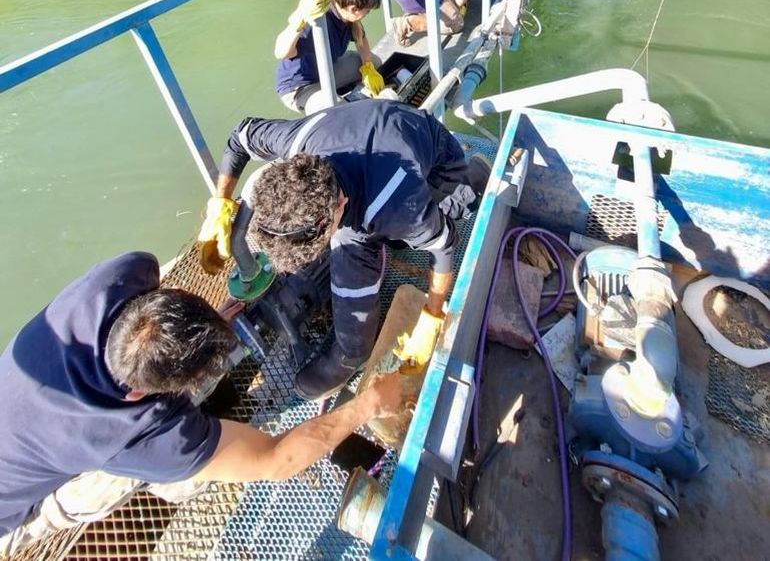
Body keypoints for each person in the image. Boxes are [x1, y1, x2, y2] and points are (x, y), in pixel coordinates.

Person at [0, 252, 403, 556]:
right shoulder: (135, 437)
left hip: (20, 413)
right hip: (10, 512)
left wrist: (209, 323)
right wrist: (367, 405)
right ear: (140, 395)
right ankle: (179, 479)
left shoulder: (126, 273)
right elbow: (276, 461)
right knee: (123, 483)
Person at [200, 98, 491, 400]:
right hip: (375, 127)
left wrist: (432, 316)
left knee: (398, 232)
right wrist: (220, 203)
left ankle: (470, 182)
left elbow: (444, 245)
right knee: (373, 235)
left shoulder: (398, 207)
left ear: (338, 207)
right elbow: (240, 135)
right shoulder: (296, 142)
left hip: (437, 157)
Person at [275, 0, 384, 114]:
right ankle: (338, 101)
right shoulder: (317, 19)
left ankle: (350, 93)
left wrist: (368, 67)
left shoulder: (348, 18)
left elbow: (361, 40)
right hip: (301, 87)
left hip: (328, 69)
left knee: (376, 62)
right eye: (367, 11)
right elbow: (281, 52)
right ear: (354, 9)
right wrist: (300, 17)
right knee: (339, 112)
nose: (367, 14)